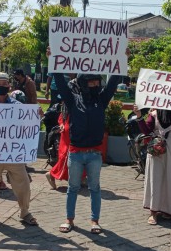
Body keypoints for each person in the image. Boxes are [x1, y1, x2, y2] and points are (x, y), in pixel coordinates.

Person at [52, 60, 123, 234]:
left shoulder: (102, 99)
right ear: (83, 83)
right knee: (73, 188)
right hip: (76, 154)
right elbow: (60, 84)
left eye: (97, 82)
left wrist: (122, 60)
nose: (95, 85)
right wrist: (53, 60)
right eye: (91, 82)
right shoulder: (72, 100)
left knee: (95, 188)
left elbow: (113, 82)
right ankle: (69, 220)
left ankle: (94, 221)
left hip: (94, 155)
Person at [0, 72, 37, 227]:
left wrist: (36, 116)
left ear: (9, 86)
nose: (1, 86)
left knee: (23, 183)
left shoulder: (18, 106)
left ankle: (25, 212)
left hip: (13, 153)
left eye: (4, 84)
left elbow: (27, 125)